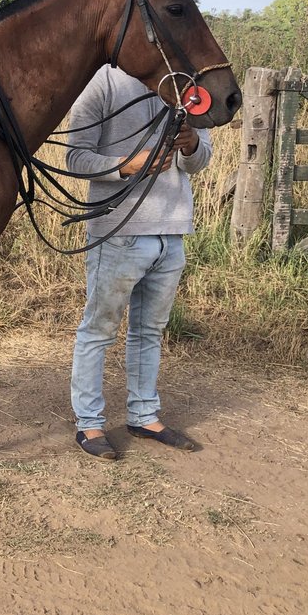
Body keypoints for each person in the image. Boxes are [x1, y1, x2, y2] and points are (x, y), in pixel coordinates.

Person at [65, 64, 212, 460]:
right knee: (99, 330)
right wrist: (126, 165)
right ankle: (89, 424)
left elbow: (200, 161)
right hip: (118, 231)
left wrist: (192, 145)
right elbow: (75, 157)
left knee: (150, 331)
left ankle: (144, 416)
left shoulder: (186, 84)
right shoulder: (104, 80)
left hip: (172, 230)